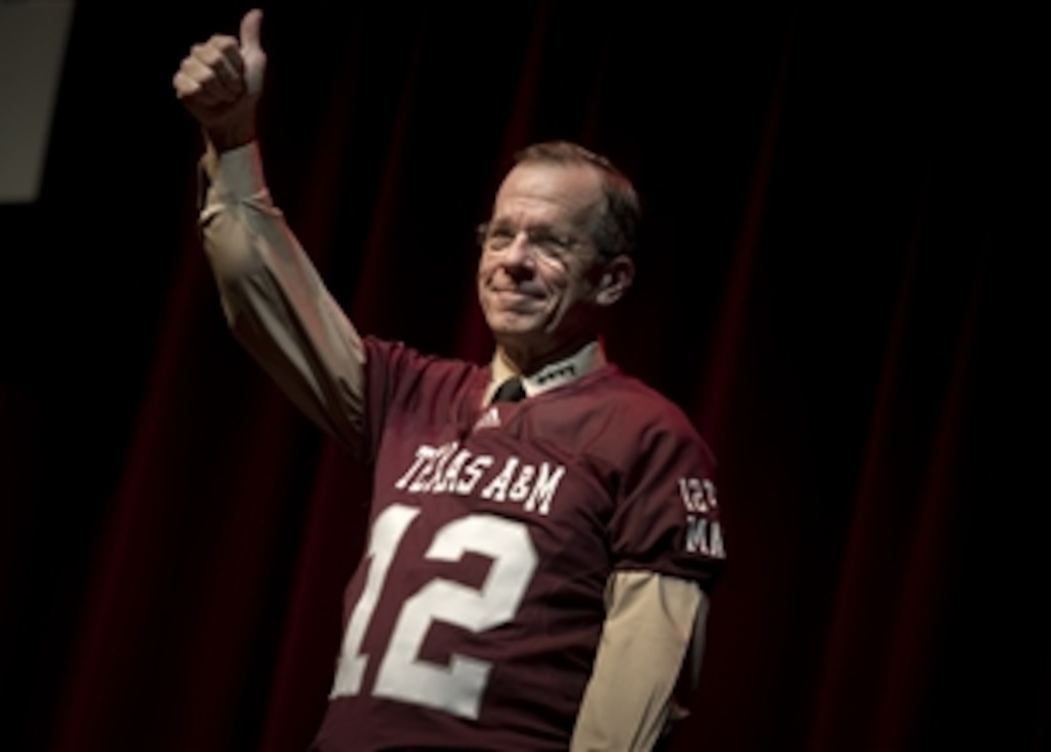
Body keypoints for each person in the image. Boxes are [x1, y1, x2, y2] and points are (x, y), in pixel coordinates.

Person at [174, 10, 726, 751]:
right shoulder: (408, 391)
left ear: (613, 279)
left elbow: (643, 680)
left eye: (551, 243)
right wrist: (232, 138)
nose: (514, 260)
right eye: (501, 234)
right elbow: (264, 294)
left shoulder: (647, 435)